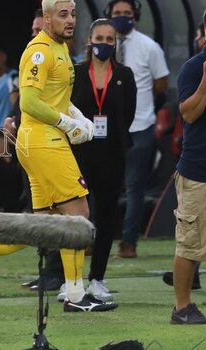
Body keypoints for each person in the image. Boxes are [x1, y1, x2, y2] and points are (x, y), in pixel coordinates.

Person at [0, 0, 117, 312]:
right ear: (46, 19)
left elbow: (53, 97)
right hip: (45, 141)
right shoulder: (40, 51)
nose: (70, 20)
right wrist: (66, 123)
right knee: (78, 218)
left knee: (45, 224)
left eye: (72, 14)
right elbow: (29, 102)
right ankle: (74, 296)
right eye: (62, 15)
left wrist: (76, 116)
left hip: (41, 140)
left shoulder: (60, 48)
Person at [70, 19, 137, 300]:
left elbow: (128, 113)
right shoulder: (75, 73)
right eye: (100, 38)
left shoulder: (124, 74)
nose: (104, 44)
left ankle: (97, 278)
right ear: (89, 40)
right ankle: (71, 280)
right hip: (79, 153)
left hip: (111, 154)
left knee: (106, 217)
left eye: (110, 40)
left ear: (115, 43)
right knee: (76, 217)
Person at [104, 0, 170, 258]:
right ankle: (96, 238)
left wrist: (142, 103)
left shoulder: (149, 46)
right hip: (108, 127)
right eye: (117, 11)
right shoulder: (103, 45)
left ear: (136, 15)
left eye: (127, 12)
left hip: (141, 125)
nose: (122, 15)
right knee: (102, 185)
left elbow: (161, 82)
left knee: (134, 187)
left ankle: (128, 241)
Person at [169, 6, 206, 325]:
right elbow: (188, 114)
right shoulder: (194, 68)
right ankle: (182, 308)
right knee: (190, 243)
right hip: (200, 171)